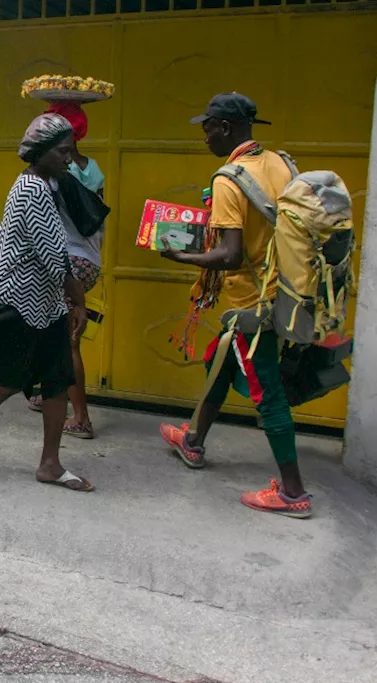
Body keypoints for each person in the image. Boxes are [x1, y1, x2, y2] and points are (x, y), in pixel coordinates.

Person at [159, 92, 311, 518]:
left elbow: (230, 255)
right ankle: (192, 442)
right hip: (286, 290)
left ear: (224, 128)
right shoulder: (281, 162)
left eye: (207, 128)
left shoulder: (229, 178)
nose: (204, 137)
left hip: (253, 303)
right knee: (220, 360)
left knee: (267, 393)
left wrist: (181, 256)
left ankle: (293, 491)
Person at [0, 114, 92, 492]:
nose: (69, 159)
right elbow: (54, 254)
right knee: (8, 378)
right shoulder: (32, 190)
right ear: (39, 152)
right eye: (62, 151)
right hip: (22, 301)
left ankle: (50, 464)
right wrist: (79, 299)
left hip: (46, 302)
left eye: (70, 151)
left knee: (58, 379)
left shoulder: (48, 185)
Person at [25, 102, 105, 440]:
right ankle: (52, 392)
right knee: (53, 328)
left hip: (68, 261)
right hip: (90, 259)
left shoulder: (56, 172)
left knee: (67, 340)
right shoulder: (94, 168)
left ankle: (81, 417)